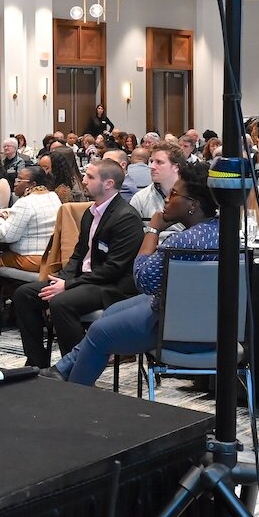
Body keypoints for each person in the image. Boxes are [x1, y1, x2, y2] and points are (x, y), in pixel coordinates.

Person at [57, 161, 221, 385]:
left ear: (192, 205)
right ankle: (63, 368)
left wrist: (153, 230)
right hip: (214, 325)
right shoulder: (223, 230)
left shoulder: (181, 242)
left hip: (175, 329)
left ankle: (72, 396)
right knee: (113, 311)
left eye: (173, 194)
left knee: (98, 332)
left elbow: (142, 279)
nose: (166, 199)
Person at [13, 160, 143, 369]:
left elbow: (114, 269)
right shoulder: (90, 212)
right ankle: (37, 362)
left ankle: (77, 368)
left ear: (108, 184)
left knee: (61, 302)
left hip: (113, 287)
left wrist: (68, 285)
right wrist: (63, 278)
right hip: (86, 280)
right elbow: (78, 255)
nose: (83, 180)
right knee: (25, 294)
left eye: (90, 177)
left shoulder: (126, 217)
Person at [0, 166, 61, 273]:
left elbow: (6, 236)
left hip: (30, 259)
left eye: (19, 180)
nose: (15, 183)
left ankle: (8, 290)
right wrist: (10, 212)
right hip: (51, 256)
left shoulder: (25, 203)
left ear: (32, 184)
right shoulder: (53, 196)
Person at [129, 142, 181, 219]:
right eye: (151, 161)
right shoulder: (140, 198)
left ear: (176, 167)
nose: (151, 166)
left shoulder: (193, 196)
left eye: (159, 162)